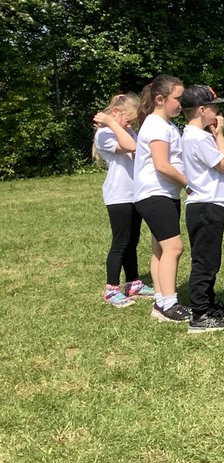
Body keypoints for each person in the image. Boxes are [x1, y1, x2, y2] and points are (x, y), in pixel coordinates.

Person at [133, 75, 191, 324]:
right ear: (160, 99)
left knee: (159, 248)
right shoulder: (156, 125)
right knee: (174, 248)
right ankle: (170, 303)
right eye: (178, 98)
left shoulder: (166, 125)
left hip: (163, 193)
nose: (182, 103)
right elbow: (162, 165)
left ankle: (160, 301)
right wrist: (189, 184)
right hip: (155, 194)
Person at [180, 85, 224, 333]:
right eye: (214, 107)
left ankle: (209, 305)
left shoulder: (195, 135)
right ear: (201, 110)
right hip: (206, 204)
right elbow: (223, 164)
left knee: (210, 259)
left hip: (207, 203)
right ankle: (200, 314)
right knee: (205, 261)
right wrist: (220, 135)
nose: (217, 112)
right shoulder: (198, 137)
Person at [92, 93, 153, 307]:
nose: (131, 125)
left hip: (134, 193)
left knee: (132, 240)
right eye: (128, 120)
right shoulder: (105, 134)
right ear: (116, 113)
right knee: (120, 241)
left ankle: (133, 282)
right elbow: (130, 146)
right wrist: (111, 121)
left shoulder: (126, 130)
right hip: (118, 195)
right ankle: (111, 289)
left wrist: (123, 125)